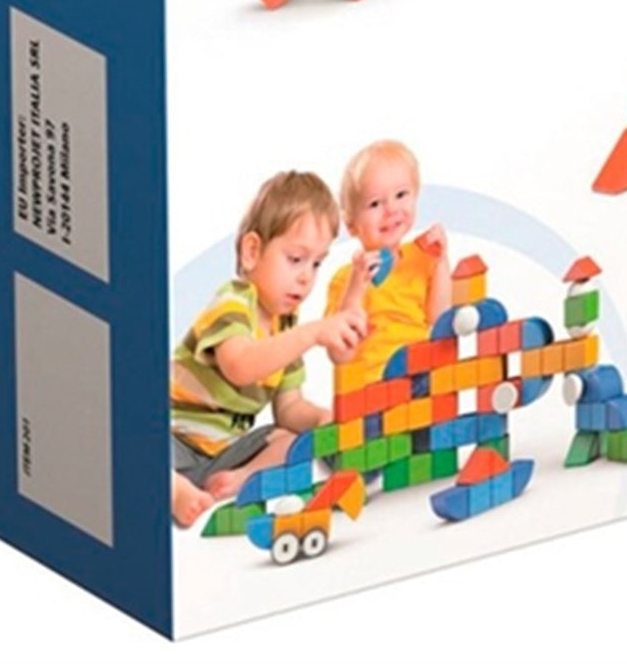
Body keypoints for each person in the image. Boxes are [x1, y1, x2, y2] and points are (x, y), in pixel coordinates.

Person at [170, 170, 366, 527]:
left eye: (316, 263)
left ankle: (238, 481)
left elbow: (289, 409)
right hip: (172, 437)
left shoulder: (284, 327)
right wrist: (312, 334)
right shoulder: (232, 303)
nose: (306, 277)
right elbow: (240, 367)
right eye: (296, 259)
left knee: (288, 440)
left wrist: (321, 419)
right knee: (132, 440)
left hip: (222, 453)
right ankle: (173, 488)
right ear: (252, 252)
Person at [324, 140, 453, 387]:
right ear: (351, 225)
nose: (391, 209)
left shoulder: (422, 259)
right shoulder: (345, 279)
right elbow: (339, 354)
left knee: (446, 373)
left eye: (401, 195)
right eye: (374, 203)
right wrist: (356, 287)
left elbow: (439, 319)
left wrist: (441, 261)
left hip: (421, 375)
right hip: (372, 387)